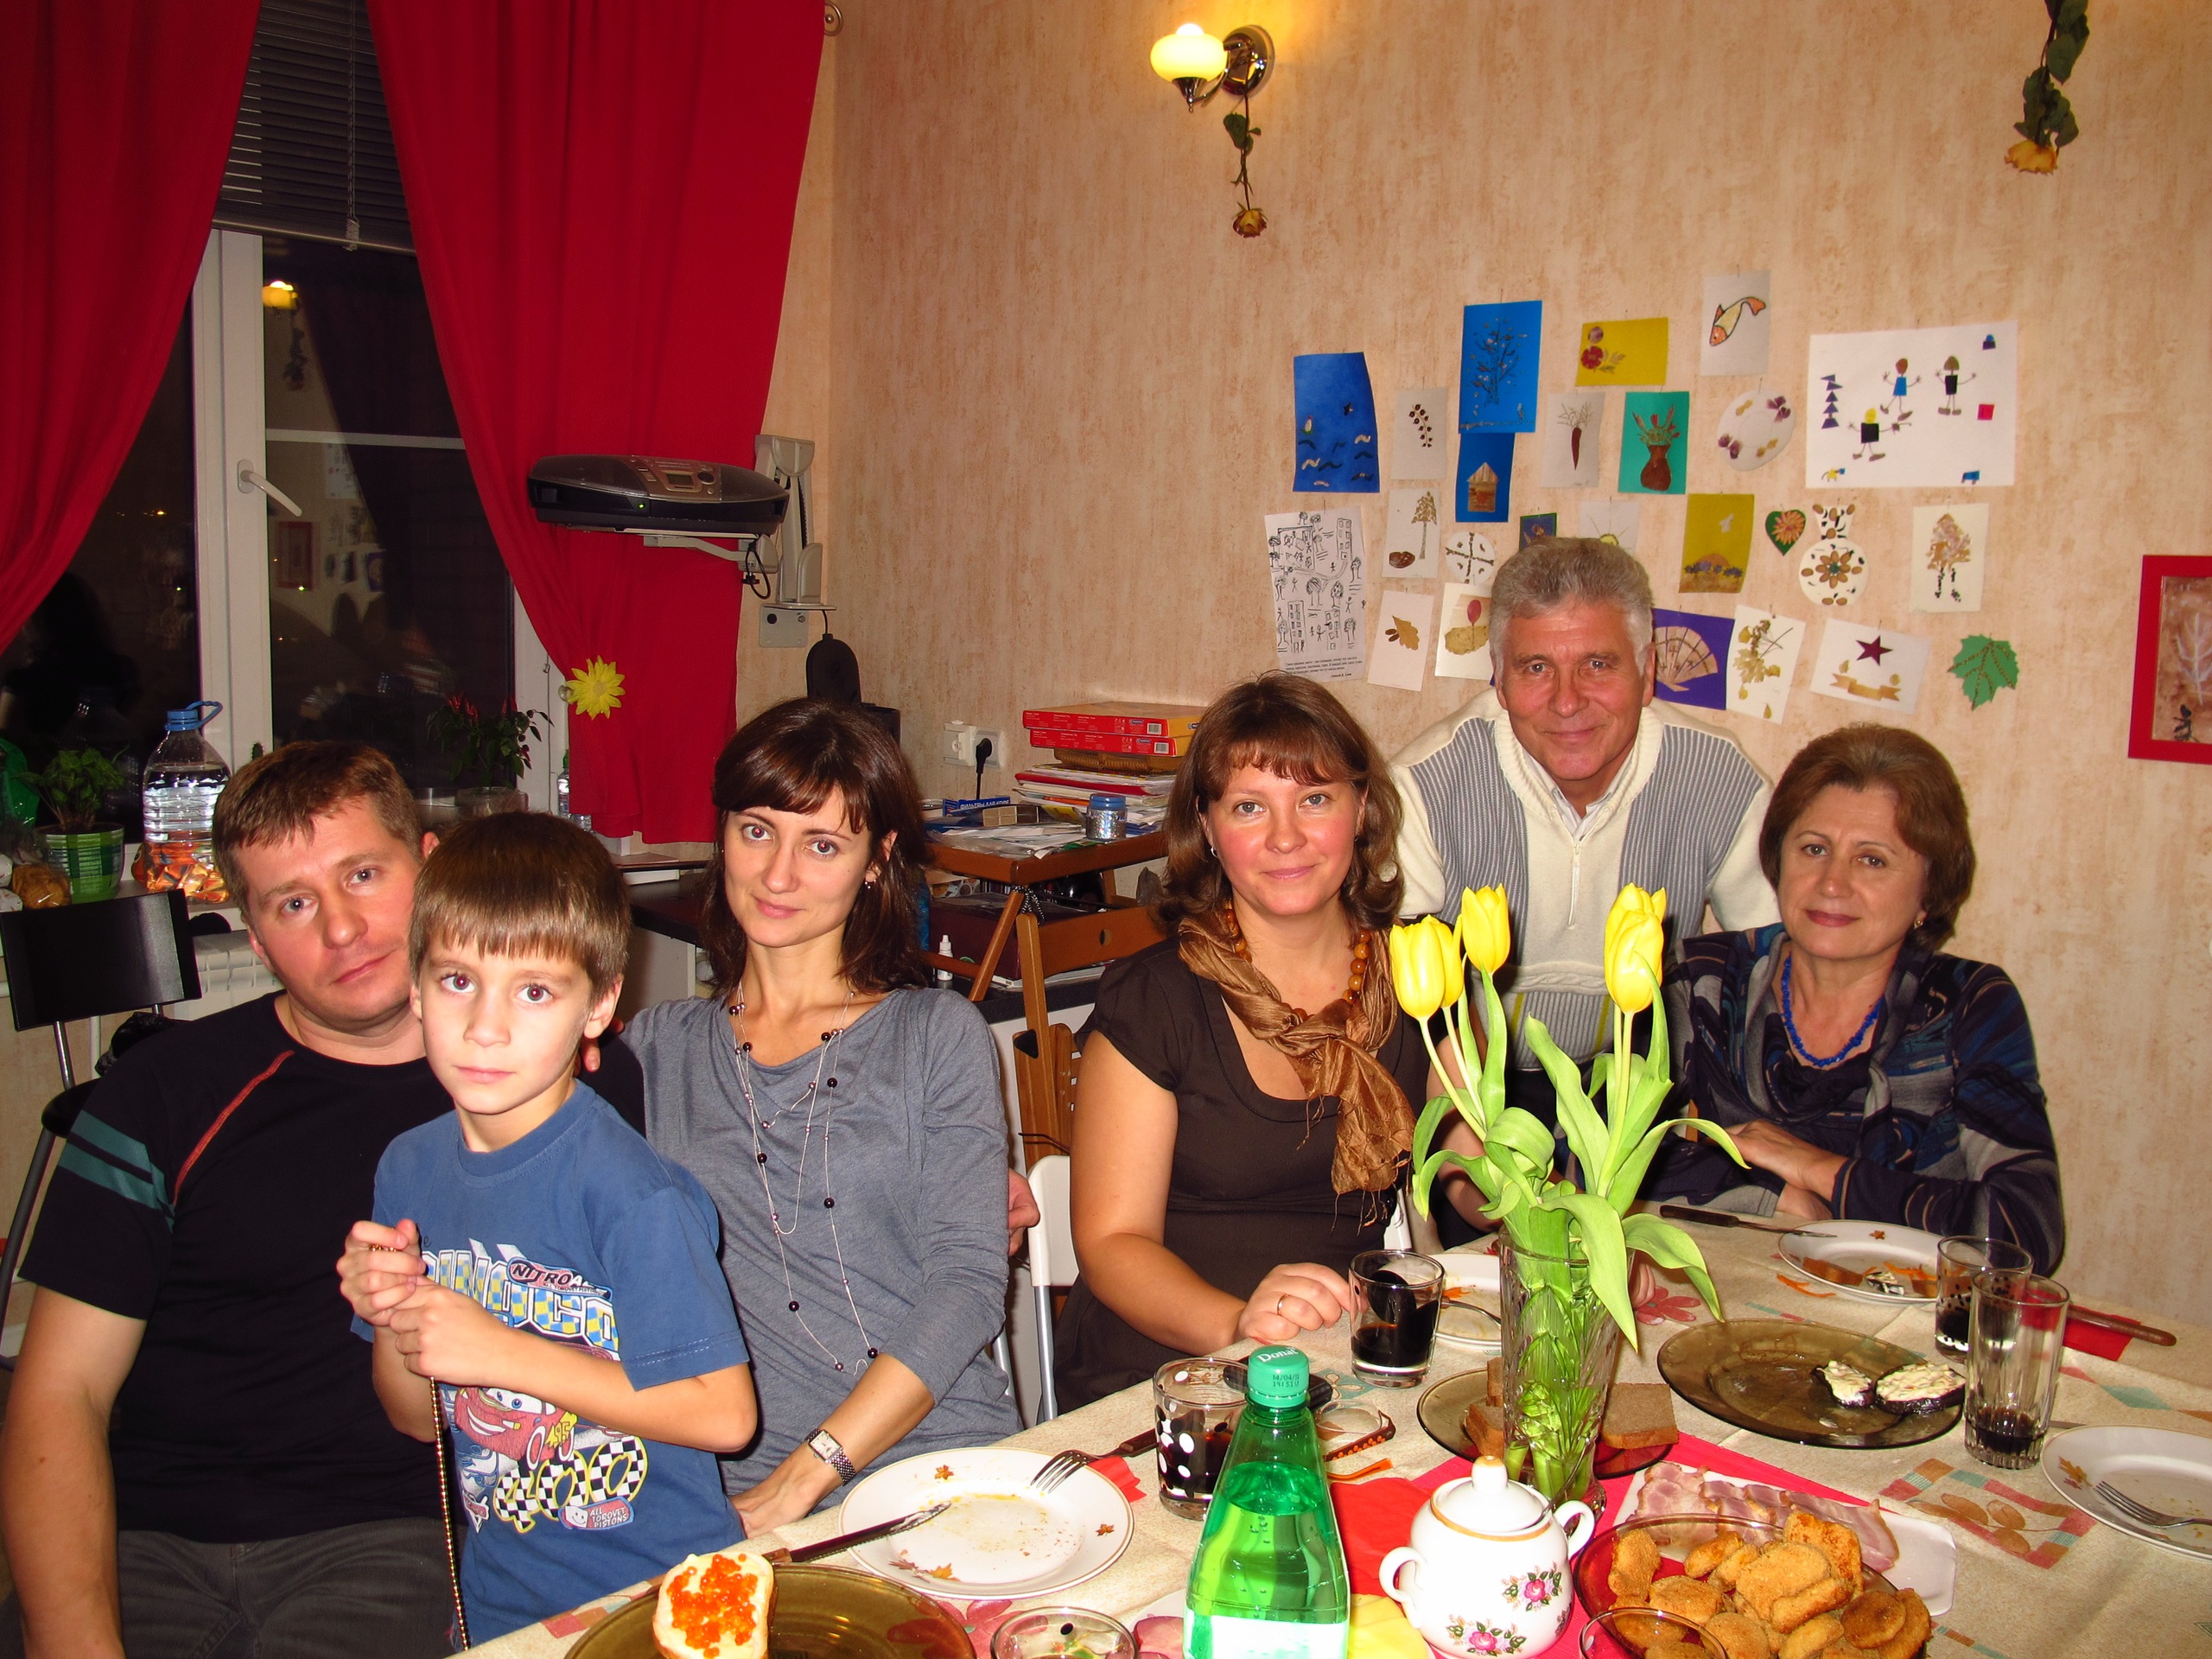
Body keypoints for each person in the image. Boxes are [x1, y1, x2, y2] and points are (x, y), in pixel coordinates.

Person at [0, 743, 453, 1659]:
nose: (341, 928)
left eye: (364, 874)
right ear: (254, 937)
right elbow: (59, 1393)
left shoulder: (552, 1091)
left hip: (388, 1541)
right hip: (147, 1541)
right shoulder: (161, 1097)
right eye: (293, 903)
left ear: (433, 868)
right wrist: (74, 1639)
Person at [336, 814, 757, 1643]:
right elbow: (416, 1417)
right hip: (504, 1604)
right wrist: (391, 1312)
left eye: (534, 991)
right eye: (457, 980)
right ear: (414, 989)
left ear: (598, 1005)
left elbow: (724, 1416)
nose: (485, 1027)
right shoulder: (408, 1169)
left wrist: (501, 1353)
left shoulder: (634, 1195)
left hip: (663, 1604)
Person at [624, 699, 1020, 1530]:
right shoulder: (655, 1051)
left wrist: (803, 1482)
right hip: (731, 1479)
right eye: (757, 831)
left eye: (823, 845)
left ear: (877, 861)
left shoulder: (935, 1035)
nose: (778, 875)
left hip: (934, 1460)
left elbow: (967, 1287)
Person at [1054, 674, 1445, 1410]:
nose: (1286, 837)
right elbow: (1112, 1245)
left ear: (1362, 809)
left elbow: (1477, 1176)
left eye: (1315, 799)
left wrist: (1577, 1226)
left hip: (1337, 1365)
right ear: (1206, 828)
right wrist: (1240, 1326)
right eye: (1248, 807)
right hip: (1168, 1373)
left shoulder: (1425, 973)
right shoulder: (1155, 999)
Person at [1390, 538, 1778, 1236]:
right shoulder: (1425, 785)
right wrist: (1477, 1173)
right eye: (1536, 667)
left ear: (1647, 672)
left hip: (1639, 1095)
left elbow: (1772, 973)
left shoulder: (1720, 781)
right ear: (1498, 680)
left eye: (1598, 664)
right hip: (1476, 1097)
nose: (1567, 701)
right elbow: (1416, 1012)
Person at [1652, 724, 2064, 1271]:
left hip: (1910, 1311)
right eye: (1814, 849)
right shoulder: (1706, 980)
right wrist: (1777, 1195)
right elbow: (1592, 1148)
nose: (1831, 883)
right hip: (1739, 1292)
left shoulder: (1968, 1004)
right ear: (1777, 862)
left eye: (1872, 860)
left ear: (1929, 890)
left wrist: (1820, 1170)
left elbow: (2027, 1230)